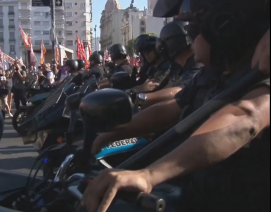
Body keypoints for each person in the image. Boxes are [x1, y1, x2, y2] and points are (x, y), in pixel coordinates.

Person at [83, 0, 270, 212]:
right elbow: (172, 107)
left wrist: (149, 175)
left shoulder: (261, 71)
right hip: (196, 191)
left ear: (223, 25)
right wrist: (109, 134)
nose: (190, 34)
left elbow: (244, 117)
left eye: (195, 25)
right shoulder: (212, 72)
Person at [135, 21, 202, 109]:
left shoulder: (197, 64)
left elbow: (179, 90)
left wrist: (139, 98)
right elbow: (161, 89)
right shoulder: (176, 67)